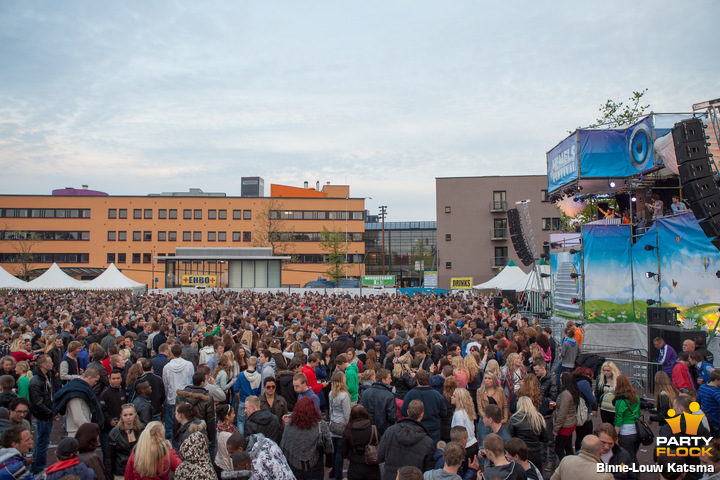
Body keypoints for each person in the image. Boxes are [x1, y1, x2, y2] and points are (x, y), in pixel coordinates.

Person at [377, 399, 435, 480]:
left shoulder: (390, 431)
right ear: (422, 415)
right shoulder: (428, 442)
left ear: (408, 412)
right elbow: (429, 469)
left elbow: (380, 455)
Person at [279, 396, 333, 480]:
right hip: (315, 467)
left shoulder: (290, 424)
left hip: (294, 466)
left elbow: (284, 445)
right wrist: (329, 464)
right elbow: (328, 446)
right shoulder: (320, 424)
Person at [52, 367, 104, 437]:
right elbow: (78, 418)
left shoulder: (79, 390)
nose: (95, 383)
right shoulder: (76, 394)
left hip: (79, 431)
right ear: (89, 377)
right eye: (95, 380)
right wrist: (91, 431)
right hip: (78, 433)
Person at [224, 432, 295, 480]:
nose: (229, 455)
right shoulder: (266, 441)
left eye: (231, 452)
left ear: (240, 449)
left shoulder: (254, 465)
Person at [401, 370, 447, 443]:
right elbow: (443, 413)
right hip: (433, 429)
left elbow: (403, 412)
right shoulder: (437, 395)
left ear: (417, 381)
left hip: (416, 428)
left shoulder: (410, 394)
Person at [28, 354, 55, 475]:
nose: (52, 364)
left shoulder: (45, 376)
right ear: (44, 365)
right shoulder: (36, 381)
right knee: (43, 443)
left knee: (42, 442)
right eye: (50, 362)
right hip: (42, 416)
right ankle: (38, 468)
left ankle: (36, 466)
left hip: (45, 414)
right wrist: (50, 413)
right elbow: (37, 403)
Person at [162, 344, 195, 444]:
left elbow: (166, 383)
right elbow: (191, 380)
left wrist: (168, 396)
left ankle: (176, 444)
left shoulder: (167, 367)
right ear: (181, 352)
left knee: (174, 422)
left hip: (173, 396)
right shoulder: (189, 365)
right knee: (186, 420)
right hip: (185, 396)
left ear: (171, 353)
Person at [176, 371, 216, 448]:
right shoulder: (208, 398)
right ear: (202, 382)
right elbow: (210, 419)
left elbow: (176, 417)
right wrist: (210, 436)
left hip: (184, 430)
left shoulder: (181, 396)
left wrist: (176, 433)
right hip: (201, 431)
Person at [341, 405, 381, 480]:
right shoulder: (372, 429)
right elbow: (380, 445)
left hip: (355, 467)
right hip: (372, 466)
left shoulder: (348, 431)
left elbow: (343, 453)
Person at [508, 396, 548, 471]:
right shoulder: (538, 418)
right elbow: (545, 438)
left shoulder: (515, 419)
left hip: (521, 452)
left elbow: (512, 437)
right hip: (536, 452)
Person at [359, 368, 398, 438]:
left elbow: (361, 411)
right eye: (389, 379)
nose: (391, 381)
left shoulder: (366, 393)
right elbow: (392, 417)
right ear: (383, 380)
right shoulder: (389, 396)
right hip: (384, 432)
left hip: (367, 429)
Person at [613, 375, 641, 465]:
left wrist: (614, 436)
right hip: (637, 430)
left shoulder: (619, 401)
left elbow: (618, 420)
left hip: (626, 432)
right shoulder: (636, 397)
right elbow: (638, 413)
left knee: (628, 457)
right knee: (633, 455)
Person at [109, 404, 141, 480]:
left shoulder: (141, 430)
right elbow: (110, 458)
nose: (128, 417)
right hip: (121, 471)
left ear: (135, 415)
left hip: (139, 470)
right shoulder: (114, 433)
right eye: (125, 415)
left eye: (130, 414)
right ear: (121, 416)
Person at [328, 371, 351, 479]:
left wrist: (332, 420)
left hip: (333, 423)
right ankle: (338, 475)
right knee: (340, 453)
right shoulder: (344, 396)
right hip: (342, 424)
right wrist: (349, 426)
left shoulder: (331, 393)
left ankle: (332, 472)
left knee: (334, 450)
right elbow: (347, 413)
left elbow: (331, 410)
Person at [233, 356, 262, 434]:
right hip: (254, 402)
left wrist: (239, 395)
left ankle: (242, 440)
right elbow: (259, 390)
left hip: (243, 401)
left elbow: (235, 389)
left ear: (247, 363)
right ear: (256, 364)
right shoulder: (259, 376)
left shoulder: (241, 375)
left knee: (241, 422)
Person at [553, 372, 578, 462]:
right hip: (571, 422)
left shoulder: (566, 394)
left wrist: (556, 428)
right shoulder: (573, 391)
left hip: (565, 424)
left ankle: (565, 465)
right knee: (568, 446)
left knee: (558, 448)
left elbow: (562, 413)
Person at [450, 388, 478, 460]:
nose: (451, 397)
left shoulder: (458, 414)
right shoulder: (468, 411)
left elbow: (460, 433)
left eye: (454, 396)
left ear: (459, 399)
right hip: (473, 443)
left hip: (465, 446)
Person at [698, 369, 720, 434]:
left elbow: (698, 401)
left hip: (706, 418)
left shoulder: (702, 387)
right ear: (717, 379)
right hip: (716, 419)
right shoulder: (715, 393)